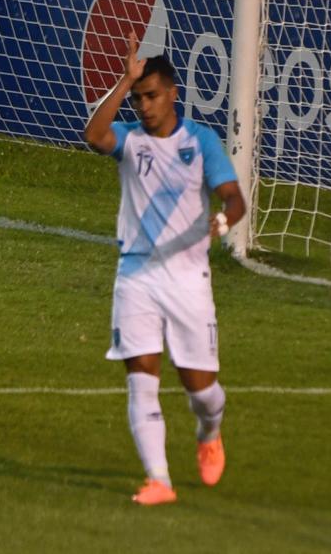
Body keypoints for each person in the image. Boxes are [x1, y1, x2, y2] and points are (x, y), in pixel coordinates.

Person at [83, 33, 245, 506]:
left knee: (202, 390)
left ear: (173, 94)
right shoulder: (129, 141)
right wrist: (124, 80)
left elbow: (235, 198)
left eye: (151, 96)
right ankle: (159, 480)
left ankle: (209, 431)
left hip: (187, 279)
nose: (144, 106)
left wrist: (221, 220)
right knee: (141, 374)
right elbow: (94, 136)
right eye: (139, 98)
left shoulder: (200, 142)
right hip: (135, 275)